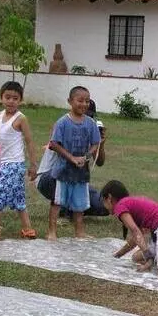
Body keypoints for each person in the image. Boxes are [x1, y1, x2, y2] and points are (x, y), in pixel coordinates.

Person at [0, 81, 39, 239]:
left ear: (20, 100)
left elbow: (29, 142)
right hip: (5, 163)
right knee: (18, 197)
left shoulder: (21, 118)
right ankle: (28, 229)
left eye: (15, 98)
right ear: (1, 98)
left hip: (14, 164)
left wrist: (33, 165)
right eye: (8, 97)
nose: (11, 101)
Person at [46, 86, 101, 240]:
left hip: (81, 172)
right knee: (57, 201)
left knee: (79, 204)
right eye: (80, 100)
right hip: (63, 170)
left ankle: (79, 231)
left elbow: (96, 143)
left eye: (87, 101)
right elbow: (54, 144)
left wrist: (87, 156)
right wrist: (71, 158)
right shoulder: (62, 122)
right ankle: (52, 231)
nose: (84, 104)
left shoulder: (90, 123)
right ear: (70, 101)